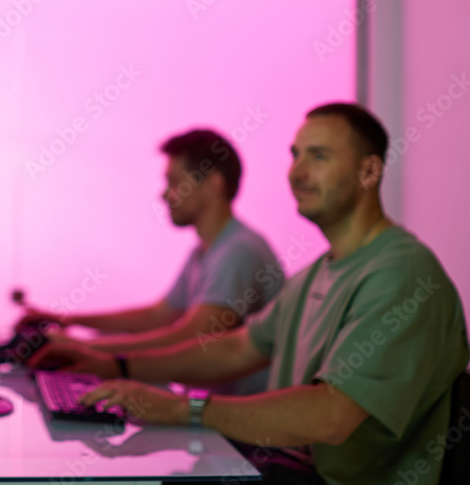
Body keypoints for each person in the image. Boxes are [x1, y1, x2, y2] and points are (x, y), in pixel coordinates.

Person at [32, 103, 469, 485]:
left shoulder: (401, 273)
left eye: (319, 156)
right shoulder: (318, 273)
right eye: (295, 156)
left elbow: (330, 416)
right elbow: (237, 348)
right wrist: (115, 364)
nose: (297, 171)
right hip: (284, 464)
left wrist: (185, 408)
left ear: (369, 171)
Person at [18, 129, 283, 395]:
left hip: (240, 429)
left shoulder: (237, 252)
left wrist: (84, 349)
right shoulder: (206, 251)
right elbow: (158, 316)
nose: (164, 195)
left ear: (213, 185)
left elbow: (192, 337)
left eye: (175, 183)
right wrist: (66, 319)